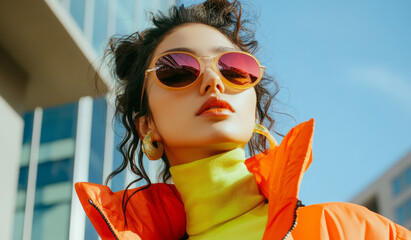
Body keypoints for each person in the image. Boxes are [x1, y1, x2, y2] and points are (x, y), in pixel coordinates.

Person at [75, 0, 410, 239]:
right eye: (177, 70)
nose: (213, 81)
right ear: (147, 126)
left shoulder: (348, 229)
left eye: (234, 68)